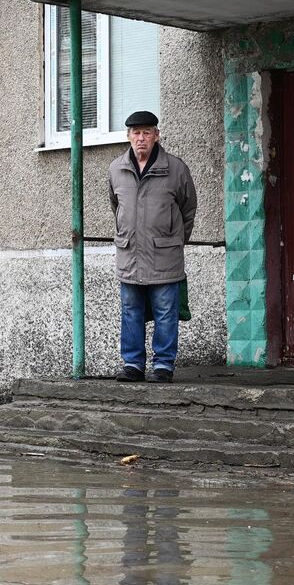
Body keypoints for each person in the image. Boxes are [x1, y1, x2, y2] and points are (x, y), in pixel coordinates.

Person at [107, 110, 196, 383]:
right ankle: (132, 364)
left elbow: (188, 208)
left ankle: (163, 366)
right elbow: (116, 206)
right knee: (130, 311)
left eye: (147, 132)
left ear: (157, 135)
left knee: (165, 312)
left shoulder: (176, 168)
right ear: (128, 137)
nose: (141, 138)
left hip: (165, 256)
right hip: (130, 254)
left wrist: (174, 240)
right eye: (136, 133)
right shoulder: (116, 169)